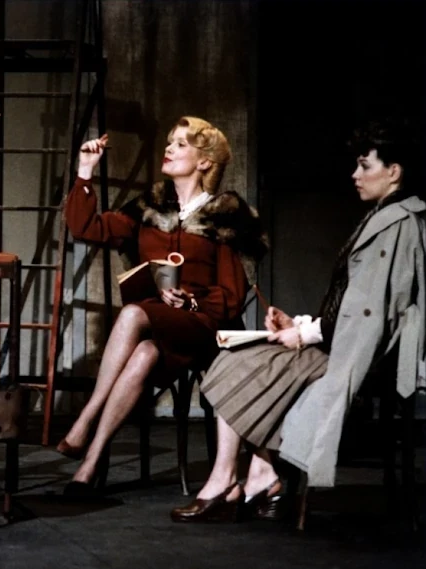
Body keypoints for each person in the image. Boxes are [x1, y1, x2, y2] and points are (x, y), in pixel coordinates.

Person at [171, 117, 426, 523]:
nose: (355, 174)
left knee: (244, 362)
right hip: (349, 342)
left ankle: (231, 479)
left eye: (365, 165)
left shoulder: (396, 225)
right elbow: (351, 305)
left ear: (393, 172)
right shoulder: (384, 217)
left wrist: (305, 334)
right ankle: (258, 475)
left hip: (364, 356)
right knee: (239, 358)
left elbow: (368, 316)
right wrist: (300, 325)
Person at [58, 117, 268, 493]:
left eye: (181, 144)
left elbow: (233, 295)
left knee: (133, 313)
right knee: (143, 355)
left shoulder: (226, 217)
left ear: (204, 161)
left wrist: (192, 299)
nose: (169, 149)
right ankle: (89, 465)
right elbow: (84, 228)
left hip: (207, 328)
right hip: (160, 327)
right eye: (170, 142)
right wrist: (85, 172)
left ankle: (86, 418)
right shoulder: (149, 208)